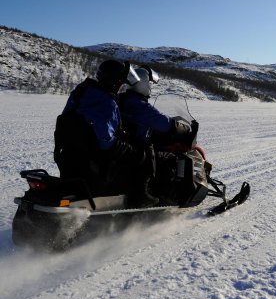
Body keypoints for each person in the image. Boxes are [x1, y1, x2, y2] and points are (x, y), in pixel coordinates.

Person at [54, 59, 141, 196]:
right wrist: (128, 148)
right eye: (120, 84)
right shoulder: (106, 102)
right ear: (114, 82)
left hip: (69, 155)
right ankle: (138, 197)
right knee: (139, 156)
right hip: (92, 159)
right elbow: (106, 142)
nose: (120, 88)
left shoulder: (82, 91)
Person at [118, 66, 196, 204]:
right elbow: (163, 122)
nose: (151, 87)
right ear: (144, 84)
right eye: (150, 84)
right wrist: (180, 127)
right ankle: (163, 196)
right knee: (169, 158)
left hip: (127, 141)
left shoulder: (122, 99)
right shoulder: (138, 104)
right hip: (138, 144)